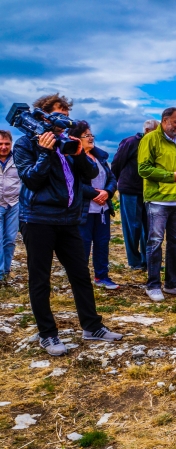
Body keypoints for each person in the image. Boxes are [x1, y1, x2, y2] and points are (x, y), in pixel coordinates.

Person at [15, 93, 123, 356]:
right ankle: (48, 334)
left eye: (66, 115)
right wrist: (45, 152)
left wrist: (79, 153)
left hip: (68, 219)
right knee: (40, 279)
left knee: (80, 275)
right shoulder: (25, 144)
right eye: (58, 114)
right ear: (43, 115)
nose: (64, 120)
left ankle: (92, 327)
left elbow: (91, 174)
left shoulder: (68, 143)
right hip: (38, 218)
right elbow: (32, 180)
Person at [138, 107, 176, 301]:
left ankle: (173, 284)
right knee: (155, 242)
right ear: (164, 121)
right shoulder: (150, 139)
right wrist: (172, 176)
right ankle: (153, 285)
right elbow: (143, 169)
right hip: (157, 200)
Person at [72, 121, 119, 290]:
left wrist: (107, 192)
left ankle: (102, 276)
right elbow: (74, 183)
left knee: (102, 243)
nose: (91, 138)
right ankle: (80, 280)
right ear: (76, 139)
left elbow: (112, 178)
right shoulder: (73, 159)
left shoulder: (100, 157)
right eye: (86, 135)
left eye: (91, 135)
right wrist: (95, 194)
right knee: (83, 245)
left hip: (102, 210)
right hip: (84, 210)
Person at [111, 119, 158, 270]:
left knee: (148, 227)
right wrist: (114, 185)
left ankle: (147, 260)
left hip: (148, 191)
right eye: (156, 132)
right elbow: (117, 163)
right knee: (132, 227)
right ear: (147, 131)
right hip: (130, 189)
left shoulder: (155, 144)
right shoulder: (130, 142)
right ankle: (134, 261)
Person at [0, 130, 20, 283]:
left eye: (7, 144)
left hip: (14, 204)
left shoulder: (18, 159)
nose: (4, 147)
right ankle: (0, 274)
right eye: (0, 144)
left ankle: (6, 271)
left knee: (10, 240)